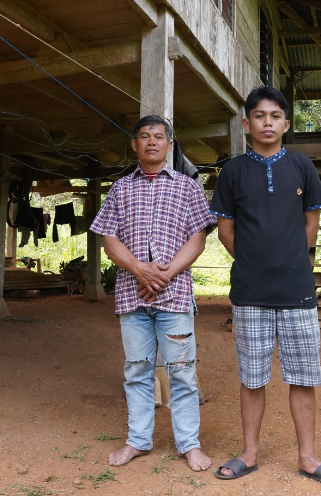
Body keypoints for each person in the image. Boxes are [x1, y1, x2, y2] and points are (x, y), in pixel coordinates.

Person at [209, 86, 321, 487]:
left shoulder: (302, 167)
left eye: (274, 116)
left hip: (298, 291)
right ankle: (249, 454)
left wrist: (286, 261)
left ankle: (307, 457)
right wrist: (256, 262)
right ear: (246, 123)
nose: (266, 122)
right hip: (249, 292)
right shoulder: (232, 171)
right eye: (259, 115)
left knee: (303, 376)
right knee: (252, 377)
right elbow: (225, 231)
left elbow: (310, 226)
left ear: (286, 124)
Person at [89, 114, 214, 472]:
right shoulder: (120, 188)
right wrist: (138, 268)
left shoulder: (187, 187)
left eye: (159, 136)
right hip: (133, 294)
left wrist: (167, 272)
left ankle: (189, 445)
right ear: (134, 144)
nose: (152, 142)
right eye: (144, 136)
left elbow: (199, 237)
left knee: (182, 371)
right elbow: (109, 236)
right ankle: (138, 441)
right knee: (137, 370)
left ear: (170, 145)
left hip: (174, 296)